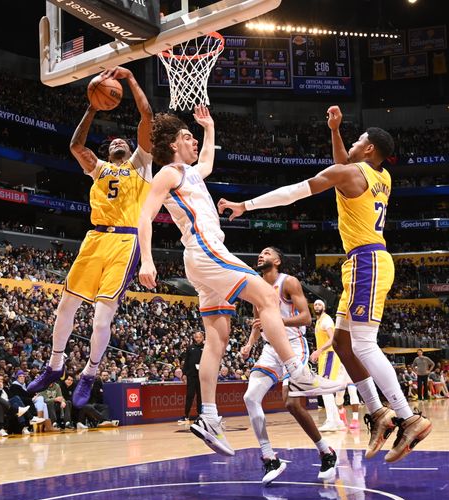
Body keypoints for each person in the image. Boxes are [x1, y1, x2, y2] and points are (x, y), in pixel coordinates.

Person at [217, 105, 431, 463]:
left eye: (357, 140)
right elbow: (345, 166)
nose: (352, 143)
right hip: (366, 261)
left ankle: (408, 417)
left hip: (367, 261)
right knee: (344, 344)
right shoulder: (380, 176)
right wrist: (335, 132)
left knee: (362, 344)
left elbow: (294, 193)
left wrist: (246, 205)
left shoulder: (349, 173)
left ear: (367, 149)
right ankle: (379, 414)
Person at [137, 106, 343, 457]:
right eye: (188, 137)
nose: (194, 141)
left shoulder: (190, 174)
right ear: (174, 144)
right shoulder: (168, 174)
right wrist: (146, 258)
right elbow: (145, 213)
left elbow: (207, 163)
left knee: (217, 337)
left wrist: (210, 126)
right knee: (266, 296)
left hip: (201, 261)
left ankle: (209, 416)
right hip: (205, 251)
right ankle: (297, 370)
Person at [27, 66, 154, 412]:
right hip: (94, 239)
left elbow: (146, 115)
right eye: (113, 142)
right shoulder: (98, 168)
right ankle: (55, 365)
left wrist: (128, 80)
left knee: (101, 318)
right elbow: (75, 145)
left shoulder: (141, 165)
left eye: (122, 142)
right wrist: (93, 108)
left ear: (130, 149)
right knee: (66, 305)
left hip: (126, 242)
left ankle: (90, 373)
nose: (117, 142)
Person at [239, 247, 338, 484]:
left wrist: (275, 321)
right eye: (259, 253)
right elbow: (257, 322)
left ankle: (326, 451)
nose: (261, 255)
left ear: (278, 261)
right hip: (270, 349)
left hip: (293, 345)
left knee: (292, 403)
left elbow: (305, 317)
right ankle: (269, 458)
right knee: (250, 398)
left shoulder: (289, 282)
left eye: (266, 253)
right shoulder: (256, 286)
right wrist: (249, 344)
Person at [311, 299, 361, 432]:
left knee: (325, 388)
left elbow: (333, 339)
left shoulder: (326, 320)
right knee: (329, 389)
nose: (317, 306)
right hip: (325, 357)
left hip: (329, 355)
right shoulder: (319, 321)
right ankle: (338, 421)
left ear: (324, 307)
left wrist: (319, 350)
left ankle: (332, 421)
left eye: (319, 304)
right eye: (315, 304)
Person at [180, 331, 204, 423]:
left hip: (201, 376)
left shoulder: (206, 348)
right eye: (196, 337)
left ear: (202, 338)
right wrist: (184, 374)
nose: (198, 339)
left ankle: (200, 414)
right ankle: (186, 415)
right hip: (191, 376)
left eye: (200, 337)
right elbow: (186, 362)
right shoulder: (190, 348)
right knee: (190, 395)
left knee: (200, 396)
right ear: (194, 338)